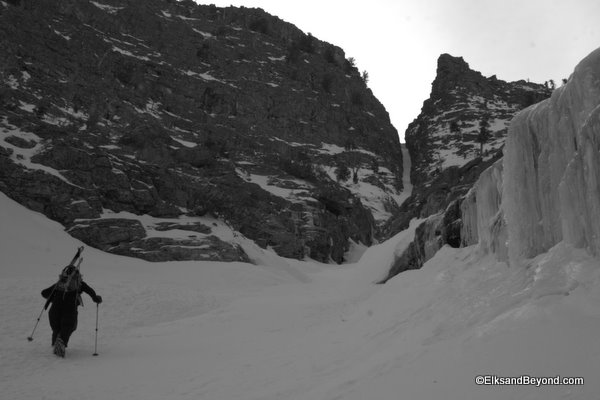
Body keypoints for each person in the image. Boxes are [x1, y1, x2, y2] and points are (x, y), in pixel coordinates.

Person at [41, 263, 102, 357]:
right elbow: (91, 292)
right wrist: (96, 298)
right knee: (69, 327)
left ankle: (54, 347)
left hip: (54, 311)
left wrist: (55, 295)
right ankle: (59, 347)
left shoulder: (59, 284)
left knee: (56, 329)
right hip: (69, 312)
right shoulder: (79, 284)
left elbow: (44, 293)